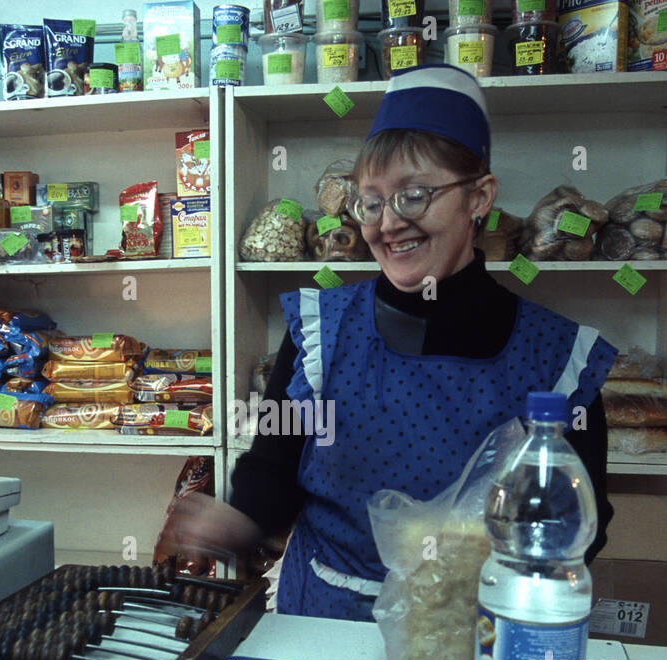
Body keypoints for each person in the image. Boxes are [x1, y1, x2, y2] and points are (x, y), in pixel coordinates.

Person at [168, 64, 618, 622]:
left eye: (413, 196)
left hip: (472, 639)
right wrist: (239, 520)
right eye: (371, 202)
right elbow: (273, 468)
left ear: (479, 197)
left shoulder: (557, 359)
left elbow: (578, 526)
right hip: (325, 627)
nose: (386, 224)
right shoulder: (320, 330)